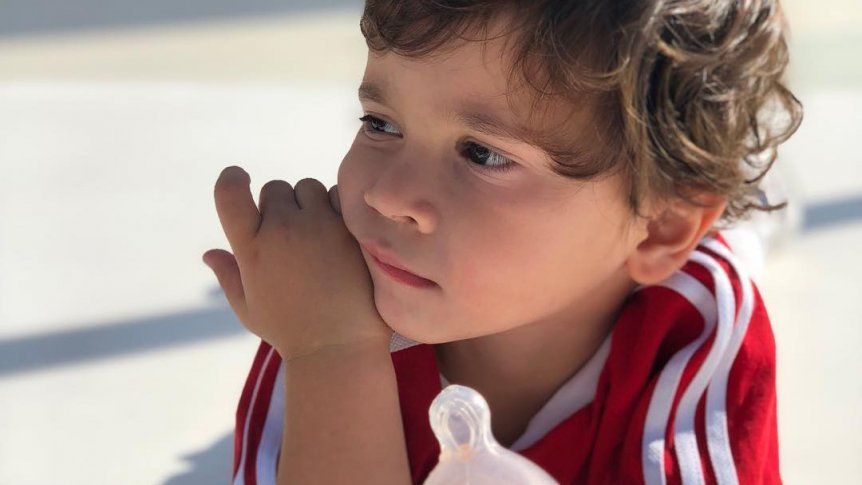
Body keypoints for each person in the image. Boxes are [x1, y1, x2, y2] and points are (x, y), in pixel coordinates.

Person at [207, 1, 803, 483]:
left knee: (732, 239)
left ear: (663, 227)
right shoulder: (329, 302)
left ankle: (741, 191)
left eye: (483, 153)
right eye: (381, 123)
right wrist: (332, 356)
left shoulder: (693, 321)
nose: (388, 197)